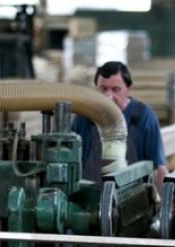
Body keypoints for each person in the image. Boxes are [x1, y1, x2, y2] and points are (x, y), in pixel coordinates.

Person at [72, 61, 169, 193]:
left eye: (116, 89)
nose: (108, 96)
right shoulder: (84, 117)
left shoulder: (143, 116)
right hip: (89, 198)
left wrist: (161, 201)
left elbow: (159, 168)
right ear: (95, 89)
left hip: (133, 197)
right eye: (103, 89)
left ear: (128, 89)